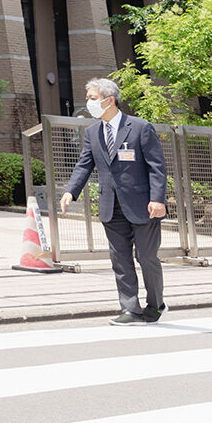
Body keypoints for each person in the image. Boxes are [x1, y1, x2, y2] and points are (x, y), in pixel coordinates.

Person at [62, 78, 168, 325]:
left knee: (147, 257)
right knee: (120, 259)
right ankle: (130, 308)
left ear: (109, 100)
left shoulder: (140, 127)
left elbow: (157, 166)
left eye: (92, 98)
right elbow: (84, 164)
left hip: (144, 205)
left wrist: (157, 199)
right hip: (111, 205)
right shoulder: (92, 132)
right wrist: (70, 191)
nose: (88, 103)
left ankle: (156, 304)